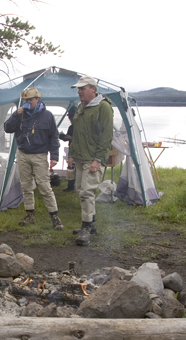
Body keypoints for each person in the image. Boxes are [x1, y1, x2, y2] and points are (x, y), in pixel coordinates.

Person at [3, 87, 64, 230]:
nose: (28, 102)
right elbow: (7, 128)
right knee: (26, 186)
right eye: (26, 100)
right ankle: (30, 215)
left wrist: (54, 156)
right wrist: (15, 115)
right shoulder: (20, 115)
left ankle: (55, 217)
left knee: (44, 186)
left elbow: (54, 136)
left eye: (30, 100)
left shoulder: (47, 116)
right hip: (23, 154)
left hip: (40, 154)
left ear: (38, 100)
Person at [68, 76, 114, 246]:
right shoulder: (82, 107)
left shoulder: (103, 107)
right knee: (81, 191)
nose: (79, 91)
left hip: (92, 158)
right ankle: (90, 224)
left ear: (93, 89)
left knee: (87, 192)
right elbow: (77, 133)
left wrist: (98, 160)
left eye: (83, 88)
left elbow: (106, 136)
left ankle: (86, 227)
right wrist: (71, 154)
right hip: (80, 157)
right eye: (78, 89)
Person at [58, 106, 77, 192]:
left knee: (79, 168)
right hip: (71, 149)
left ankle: (78, 186)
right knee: (70, 167)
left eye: (71, 117)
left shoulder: (81, 126)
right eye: (70, 117)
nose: (70, 119)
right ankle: (70, 186)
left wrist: (72, 138)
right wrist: (61, 136)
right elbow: (67, 138)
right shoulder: (71, 127)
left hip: (80, 150)